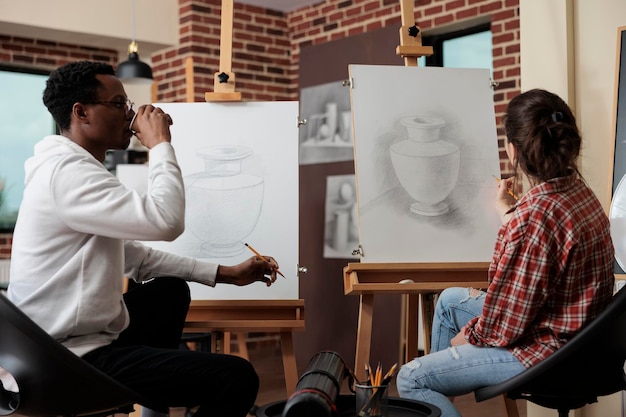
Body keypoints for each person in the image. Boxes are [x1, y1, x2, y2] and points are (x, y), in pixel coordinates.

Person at [6, 60, 281, 417]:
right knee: (237, 377)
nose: (130, 113)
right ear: (81, 112)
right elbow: (166, 222)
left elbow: (134, 257)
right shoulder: (69, 175)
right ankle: (148, 388)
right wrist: (160, 144)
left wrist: (225, 273)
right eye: (119, 104)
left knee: (169, 290)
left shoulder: (73, 168)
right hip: (65, 359)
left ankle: (154, 406)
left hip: (64, 341)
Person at [396, 89, 615, 417]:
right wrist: (508, 211)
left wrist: (468, 337)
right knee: (449, 302)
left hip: (547, 351)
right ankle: (441, 392)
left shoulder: (533, 219)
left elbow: (506, 326)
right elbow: (544, 244)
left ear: (513, 151)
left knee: (411, 377)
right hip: (584, 341)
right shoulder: (582, 195)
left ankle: (433, 388)